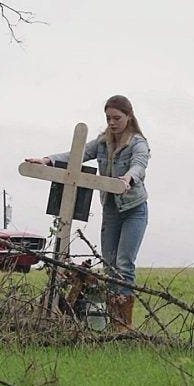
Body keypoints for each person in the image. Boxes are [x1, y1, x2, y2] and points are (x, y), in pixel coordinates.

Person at [25, 95, 150, 330]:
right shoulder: (102, 142)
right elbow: (76, 155)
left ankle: (123, 324)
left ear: (129, 117)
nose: (112, 123)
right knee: (109, 263)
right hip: (111, 209)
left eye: (117, 118)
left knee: (124, 262)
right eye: (108, 118)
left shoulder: (138, 143)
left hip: (134, 210)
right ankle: (109, 320)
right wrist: (47, 160)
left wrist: (128, 178)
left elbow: (140, 165)